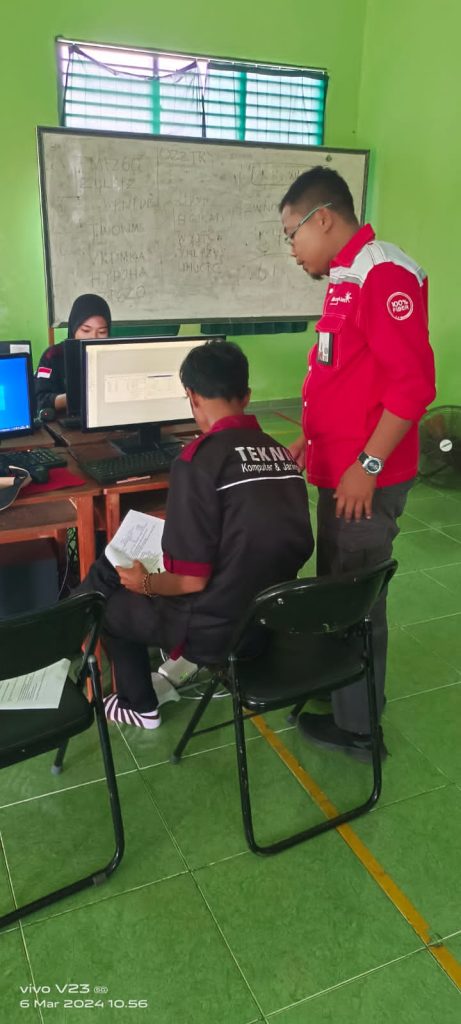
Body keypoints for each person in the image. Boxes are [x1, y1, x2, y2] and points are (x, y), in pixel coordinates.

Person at [279, 166, 436, 762]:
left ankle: (361, 729)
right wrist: (311, 438)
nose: (292, 249)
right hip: (341, 471)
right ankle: (341, 688)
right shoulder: (345, 276)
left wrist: (367, 465)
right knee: (338, 588)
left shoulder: (383, 273)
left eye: (292, 234)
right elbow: (343, 374)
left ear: (322, 219)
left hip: (366, 481)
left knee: (358, 601)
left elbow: (413, 387)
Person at [79, 340, 314, 730]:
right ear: (247, 396)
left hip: (216, 631)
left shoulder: (197, 461)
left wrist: (145, 583)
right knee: (116, 570)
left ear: (191, 396)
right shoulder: (281, 455)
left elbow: (190, 580)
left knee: (113, 607)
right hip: (267, 620)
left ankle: (139, 706)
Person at [34, 293, 111, 414]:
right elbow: (40, 400)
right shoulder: (52, 355)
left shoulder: (113, 356)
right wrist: (74, 398)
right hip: (64, 422)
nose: (93, 337)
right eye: (86, 330)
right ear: (73, 328)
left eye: (102, 332)